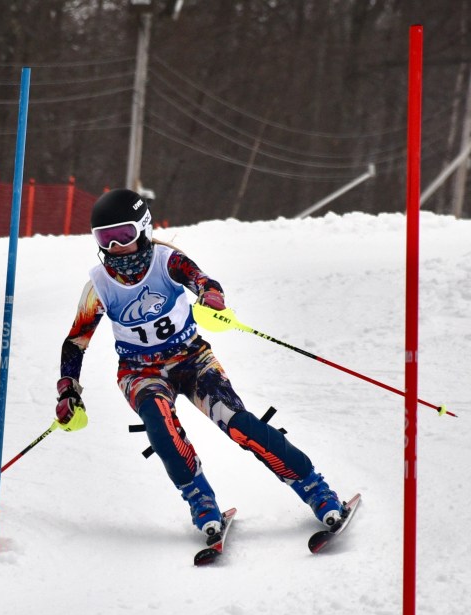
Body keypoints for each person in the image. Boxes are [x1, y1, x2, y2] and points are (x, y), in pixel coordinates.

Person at [55, 188, 345, 543]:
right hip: (139, 371)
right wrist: (68, 388)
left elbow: (203, 281)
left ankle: (316, 489)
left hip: (192, 359)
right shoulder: (98, 285)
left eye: (123, 235)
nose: (115, 248)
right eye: (105, 238)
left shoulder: (167, 261)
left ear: (143, 228)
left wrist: (210, 298)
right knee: (161, 429)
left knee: (240, 425)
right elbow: (76, 340)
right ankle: (200, 500)